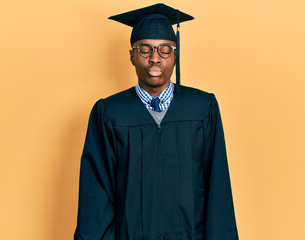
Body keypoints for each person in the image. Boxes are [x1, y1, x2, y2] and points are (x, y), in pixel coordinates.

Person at [74, 3, 239, 240]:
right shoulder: (109, 113)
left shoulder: (203, 109)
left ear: (175, 55)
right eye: (144, 49)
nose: (154, 58)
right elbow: (96, 199)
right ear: (131, 56)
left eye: (165, 49)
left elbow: (218, 192)